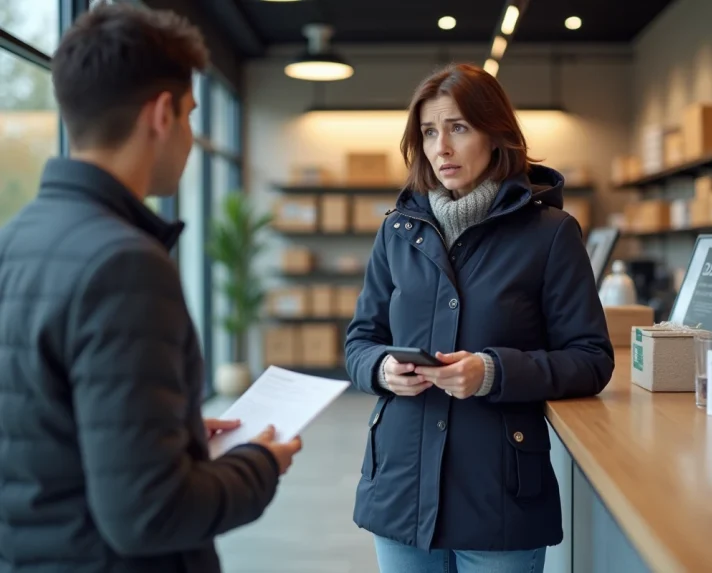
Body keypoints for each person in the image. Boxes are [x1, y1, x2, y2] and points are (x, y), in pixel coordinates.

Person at [0, 5, 301, 572]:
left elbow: (39, 427)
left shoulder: (15, 238)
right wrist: (260, 463)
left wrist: (172, 432)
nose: (191, 137)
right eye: (191, 115)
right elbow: (150, 513)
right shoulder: (125, 264)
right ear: (163, 114)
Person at [344, 63, 615, 572]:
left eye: (458, 128)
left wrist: (492, 372)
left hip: (498, 496)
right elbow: (360, 341)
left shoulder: (551, 234)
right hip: (400, 487)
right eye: (429, 132)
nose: (441, 148)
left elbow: (591, 359)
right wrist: (381, 368)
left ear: (495, 133)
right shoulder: (397, 231)